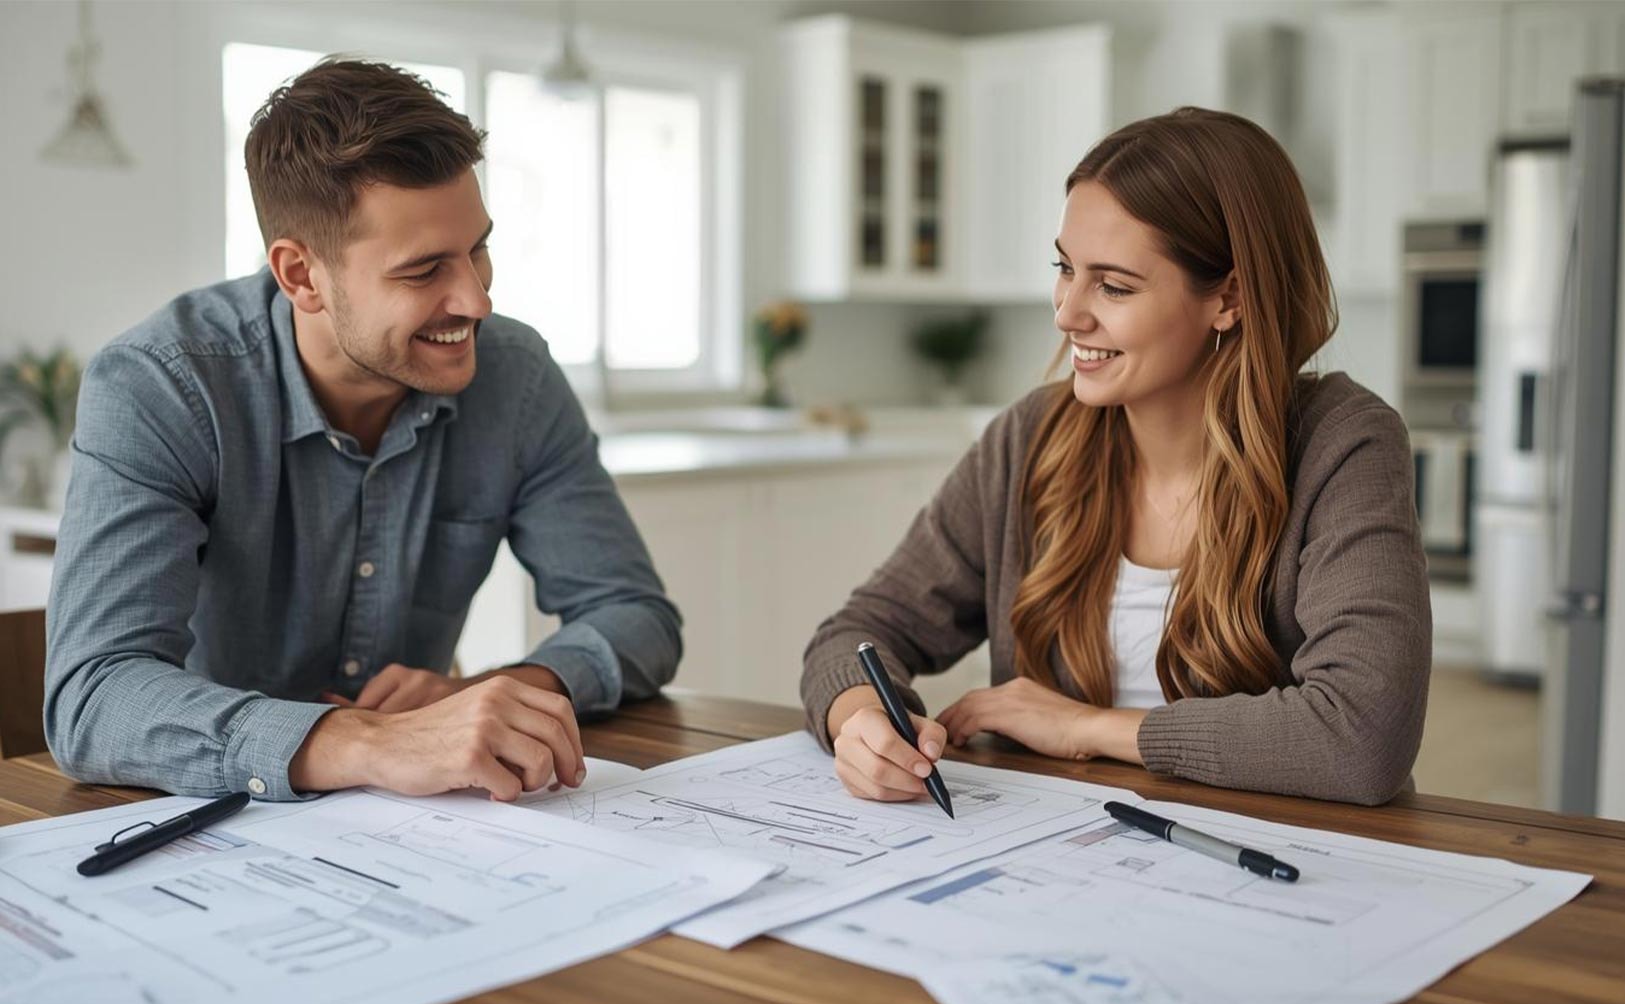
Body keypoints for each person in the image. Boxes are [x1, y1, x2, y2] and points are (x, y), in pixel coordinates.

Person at [44, 59, 681, 803]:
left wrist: (490, 696)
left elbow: (636, 616)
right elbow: (93, 696)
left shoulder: (517, 376)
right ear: (301, 276)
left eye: (477, 247)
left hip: (423, 829)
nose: (475, 299)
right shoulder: (162, 386)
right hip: (197, 818)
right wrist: (368, 743)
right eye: (423, 272)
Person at [802, 107, 1430, 807]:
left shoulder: (1340, 445)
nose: (1067, 313)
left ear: (1228, 297)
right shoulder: (1029, 437)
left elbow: (1363, 736)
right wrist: (858, 719)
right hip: (1052, 856)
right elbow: (857, 633)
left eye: (1113, 285)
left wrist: (1089, 728)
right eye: (1064, 269)